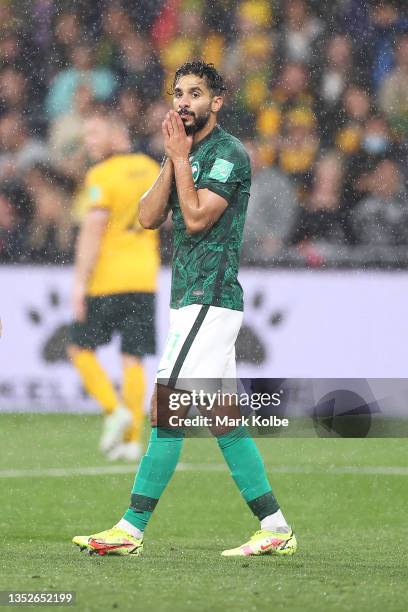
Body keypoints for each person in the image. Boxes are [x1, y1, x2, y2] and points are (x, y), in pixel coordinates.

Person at [73, 60, 297, 558]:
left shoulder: (229, 154)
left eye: (195, 94)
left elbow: (195, 220)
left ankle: (130, 529)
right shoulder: (184, 152)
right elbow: (149, 217)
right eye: (178, 93)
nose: (184, 102)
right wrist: (172, 158)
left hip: (210, 301)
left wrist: (179, 160)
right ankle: (276, 526)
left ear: (216, 102)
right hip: (187, 302)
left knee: (165, 405)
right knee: (224, 419)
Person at [67, 110, 160, 461]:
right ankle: (133, 440)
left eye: (94, 133)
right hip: (144, 277)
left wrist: (79, 283)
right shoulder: (152, 169)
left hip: (107, 279)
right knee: (133, 357)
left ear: (115, 134)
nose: (88, 141)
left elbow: (93, 230)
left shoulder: (101, 175)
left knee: (78, 348)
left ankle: (114, 410)